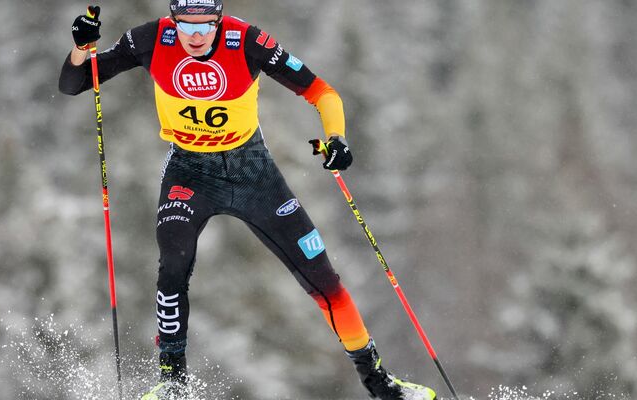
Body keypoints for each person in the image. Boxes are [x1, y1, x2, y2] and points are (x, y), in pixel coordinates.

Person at [59, 2, 436, 399]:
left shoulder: (248, 41)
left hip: (252, 170)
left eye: (206, 26)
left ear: (219, 21)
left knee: (324, 281)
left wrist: (337, 140)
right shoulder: (150, 38)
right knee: (173, 262)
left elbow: (322, 92)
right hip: (189, 172)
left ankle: (382, 386)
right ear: (173, 20)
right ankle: (173, 385)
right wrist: (82, 48)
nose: (196, 36)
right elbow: (74, 82)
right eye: (186, 25)